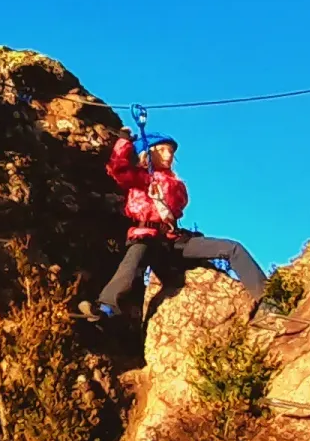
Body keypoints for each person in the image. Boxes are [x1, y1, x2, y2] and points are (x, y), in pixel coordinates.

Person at [79, 129, 269, 320]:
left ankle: (266, 298)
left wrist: (157, 184)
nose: (169, 155)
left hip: (173, 240)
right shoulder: (139, 178)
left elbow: (178, 202)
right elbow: (118, 170)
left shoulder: (172, 182)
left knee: (231, 248)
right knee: (135, 256)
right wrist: (124, 142)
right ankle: (107, 305)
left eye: (170, 151)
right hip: (149, 237)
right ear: (149, 153)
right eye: (162, 150)